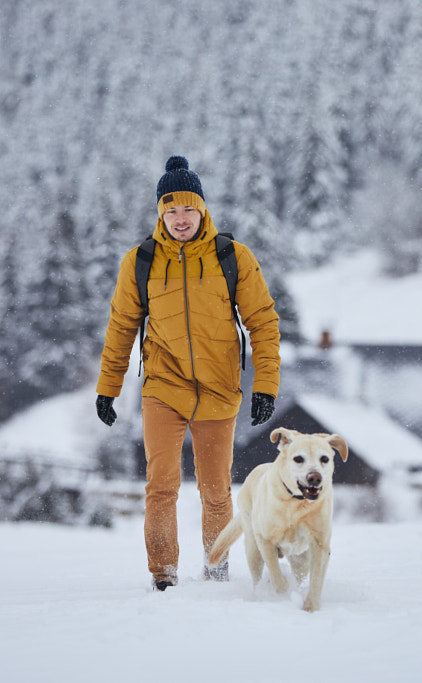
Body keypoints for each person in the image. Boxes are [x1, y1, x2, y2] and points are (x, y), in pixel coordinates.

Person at [95, 155, 280, 591]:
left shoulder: (232, 257)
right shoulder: (140, 262)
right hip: (163, 386)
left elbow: (263, 322)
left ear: (203, 209)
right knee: (161, 485)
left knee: (216, 490)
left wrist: (265, 386)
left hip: (219, 389)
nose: (180, 219)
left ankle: (216, 572)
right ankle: (164, 575)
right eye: (171, 209)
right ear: (161, 212)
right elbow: (121, 326)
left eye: (188, 209)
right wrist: (108, 389)